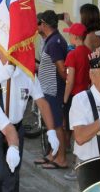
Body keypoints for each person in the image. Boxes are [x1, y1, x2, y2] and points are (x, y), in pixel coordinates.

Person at [0, 55, 60, 192]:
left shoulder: (27, 74)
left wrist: (51, 131)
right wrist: (0, 77)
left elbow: (42, 103)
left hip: (16, 129)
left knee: (12, 174)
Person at [37, 10, 68, 169]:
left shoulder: (55, 42)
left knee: (56, 125)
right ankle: (52, 154)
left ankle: (61, 158)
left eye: (38, 24)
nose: (37, 27)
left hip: (54, 90)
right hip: (48, 90)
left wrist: (67, 89)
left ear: (44, 24)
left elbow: (62, 70)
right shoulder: (51, 39)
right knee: (51, 124)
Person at [62, 23, 91, 180]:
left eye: (70, 34)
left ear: (75, 37)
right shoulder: (88, 52)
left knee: (75, 134)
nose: (69, 36)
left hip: (75, 97)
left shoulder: (72, 55)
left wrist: (65, 99)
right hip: (87, 95)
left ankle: (77, 168)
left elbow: (69, 80)